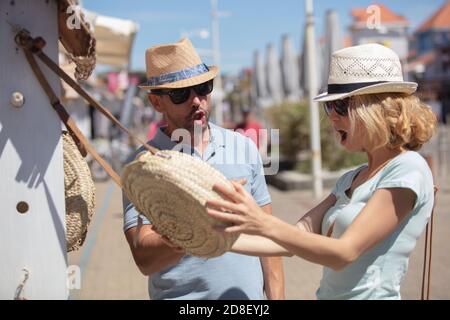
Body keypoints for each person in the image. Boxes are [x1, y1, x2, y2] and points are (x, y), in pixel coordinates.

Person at [206, 43, 437, 300]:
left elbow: (344, 253)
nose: (332, 117)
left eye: (340, 106)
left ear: (375, 108)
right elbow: (294, 238)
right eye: (329, 107)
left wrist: (261, 221)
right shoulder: (352, 178)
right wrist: (212, 241)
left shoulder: (408, 169)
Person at [122, 38, 285, 300]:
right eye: (180, 94)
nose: (197, 101)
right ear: (156, 102)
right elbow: (144, 259)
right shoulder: (143, 167)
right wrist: (192, 229)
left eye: (202, 88)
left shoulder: (243, 147)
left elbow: (268, 237)